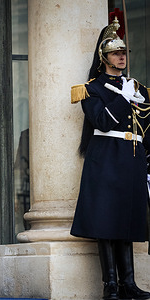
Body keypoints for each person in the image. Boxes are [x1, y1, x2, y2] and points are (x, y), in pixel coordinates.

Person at [70, 18, 150, 300]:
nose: (122, 57)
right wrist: (122, 99)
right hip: (105, 160)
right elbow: (102, 121)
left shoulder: (136, 87)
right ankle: (111, 286)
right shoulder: (91, 89)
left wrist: (148, 163)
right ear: (104, 57)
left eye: (124, 52)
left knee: (126, 221)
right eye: (116, 53)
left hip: (131, 160)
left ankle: (129, 283)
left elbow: (146, 127)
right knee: (105, 222)